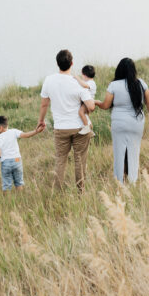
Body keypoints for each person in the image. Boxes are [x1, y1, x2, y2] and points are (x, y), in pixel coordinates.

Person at [38, 49, 95, 192]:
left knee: (60, 160)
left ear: (57, 64)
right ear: (72, 63)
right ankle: (81, 192)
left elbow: (44, 104)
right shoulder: (77, 83)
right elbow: (90, 106)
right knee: (80, 160)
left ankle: (57, 191)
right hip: (79, 128)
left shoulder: (49, 80)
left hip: (60, 128)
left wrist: (41, 121)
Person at [96, 57, 149, 184]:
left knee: (119, 152)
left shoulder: (114, 85)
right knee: (134, 151)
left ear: (119, 70)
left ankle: (120, 181)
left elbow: (106, 105)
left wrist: (97, 103)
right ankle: (132, 181)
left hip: (119, 123)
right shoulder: (141, 83)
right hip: (136, 124)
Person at [0, 114, 44, 193]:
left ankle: (7, 202)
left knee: (6, 185)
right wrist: (36, 131)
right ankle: (20, 198)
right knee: (19, 182)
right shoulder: (14, 131)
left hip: (6, 163)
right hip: (17, 161)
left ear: (0, 128)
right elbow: (26, 135)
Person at [74, 64, 97, 134]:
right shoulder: (91, 82)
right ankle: (90, 130)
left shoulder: (91, 83)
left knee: (81, 112)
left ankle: (86, 127)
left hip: (88, 102)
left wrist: (77, 78)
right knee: (86, 116)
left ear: (84, 75)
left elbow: (84, 85)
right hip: (87, 102)